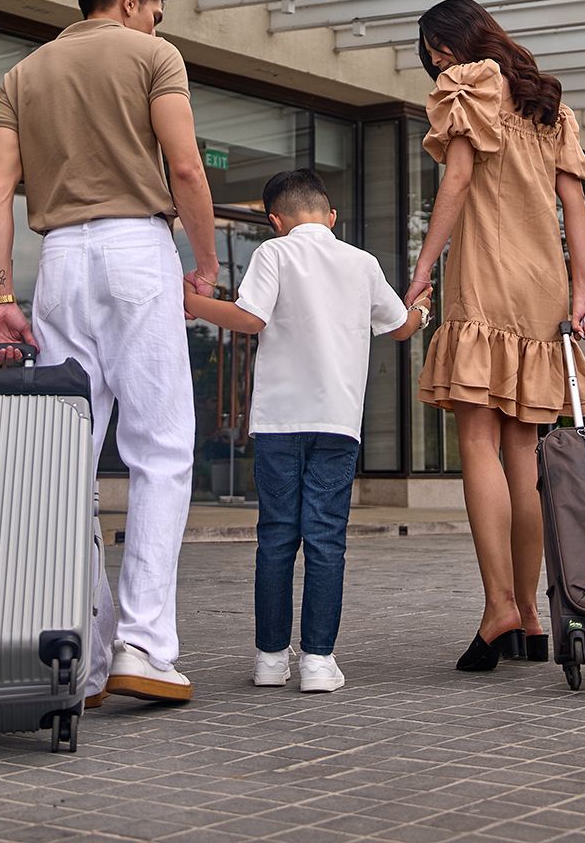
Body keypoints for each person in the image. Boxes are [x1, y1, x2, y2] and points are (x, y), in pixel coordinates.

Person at [0, 0, 219, 708]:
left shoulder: (23, 75)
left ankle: (77, 658)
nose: (157, 21)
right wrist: (206, 262)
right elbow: (183, 167)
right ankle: (145, 646)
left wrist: (0, 293)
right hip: (135, 251)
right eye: (155, 7)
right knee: (160, 449)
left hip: (58, 263)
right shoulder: (154, 55)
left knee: (67, 460)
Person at [404, 0, 585, 673]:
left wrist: (423, 268)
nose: (435, 61)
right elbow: (574, 203)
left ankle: (498, 611)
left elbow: (457, 179)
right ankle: (532, 612)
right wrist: (582, 288)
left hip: (485, 276)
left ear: (459, 38)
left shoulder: (474, 83)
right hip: (541, 285)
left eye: (436, 47)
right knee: (524, 449)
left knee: (477, 439)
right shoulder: (550, 107)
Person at [182, 168, 430, 695]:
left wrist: (190, 304)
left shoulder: (274, 253)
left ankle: (270, 659)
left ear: (276, 221)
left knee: (274, 539)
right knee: (325, 540)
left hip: (279, 421)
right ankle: (318, 660)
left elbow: (250, 318)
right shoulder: (361, 262)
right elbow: (401, 326)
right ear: (331, 216)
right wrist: (424, 308)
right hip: (338, 423)